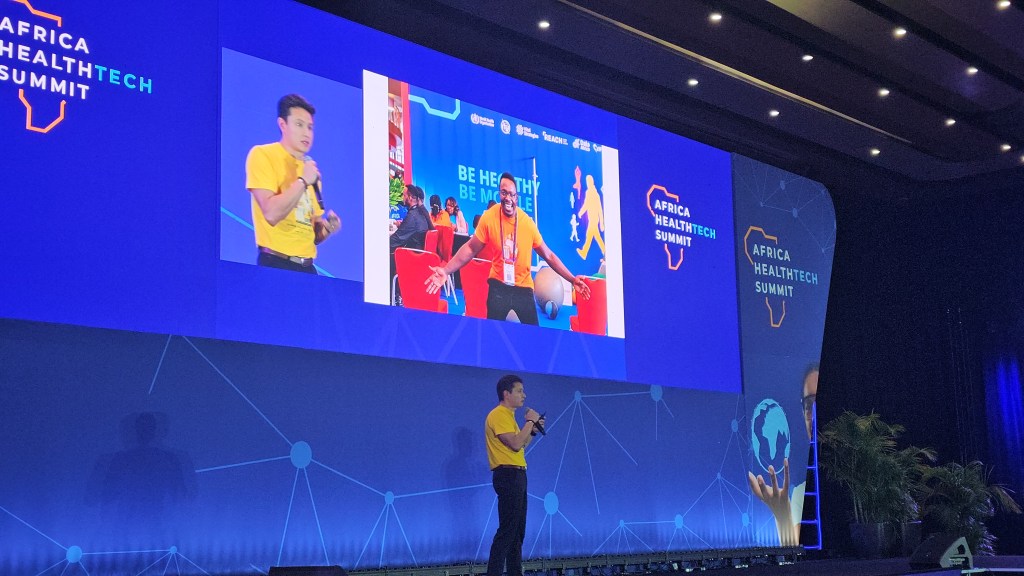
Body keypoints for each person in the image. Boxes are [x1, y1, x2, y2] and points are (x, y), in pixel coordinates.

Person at [425, 172, 591, 324]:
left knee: (534, 339)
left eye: (512, 194)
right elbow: (470, 248)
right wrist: (446, 270)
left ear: (517, 197)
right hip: (498, 285)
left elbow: (549, 255)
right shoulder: (489, 218)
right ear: (499, 193)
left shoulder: (527, 223)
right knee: (494, 337)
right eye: (504, 193)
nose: (508, 198)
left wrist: (572, 279)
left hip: (523, 287)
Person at [247, 94, 341, 274]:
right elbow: (271, 214)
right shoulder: (262, 155)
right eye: (299, 124)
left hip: (308, 268)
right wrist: (303, 181)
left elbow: (312, 235)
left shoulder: (310, 170)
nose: (306, 133)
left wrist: (328, 228)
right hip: (276, 263)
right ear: (282, 124)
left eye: (310, 127)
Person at [747, 364, 819, 547]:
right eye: (808, 405)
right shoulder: (801, 493)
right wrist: (782, 514)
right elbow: (795, 556)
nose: (814, 414)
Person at [485, 375, 545, 576]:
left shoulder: (508, 416)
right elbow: (515, 443)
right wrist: (530, 421)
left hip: (518, 474)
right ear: (506, 393)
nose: (523, 395)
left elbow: (522, 445)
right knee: (507, 530)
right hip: (508, 475)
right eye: (519, 391)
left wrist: (532, 430)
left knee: (518, 532)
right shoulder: (498, 415)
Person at [390, 184, 434, 251]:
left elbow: (395, 240)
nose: (402, 198)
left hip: (412, 254)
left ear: (410, 197)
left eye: (404, 195)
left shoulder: (412, 216)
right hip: (417, 250)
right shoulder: (419, 213)